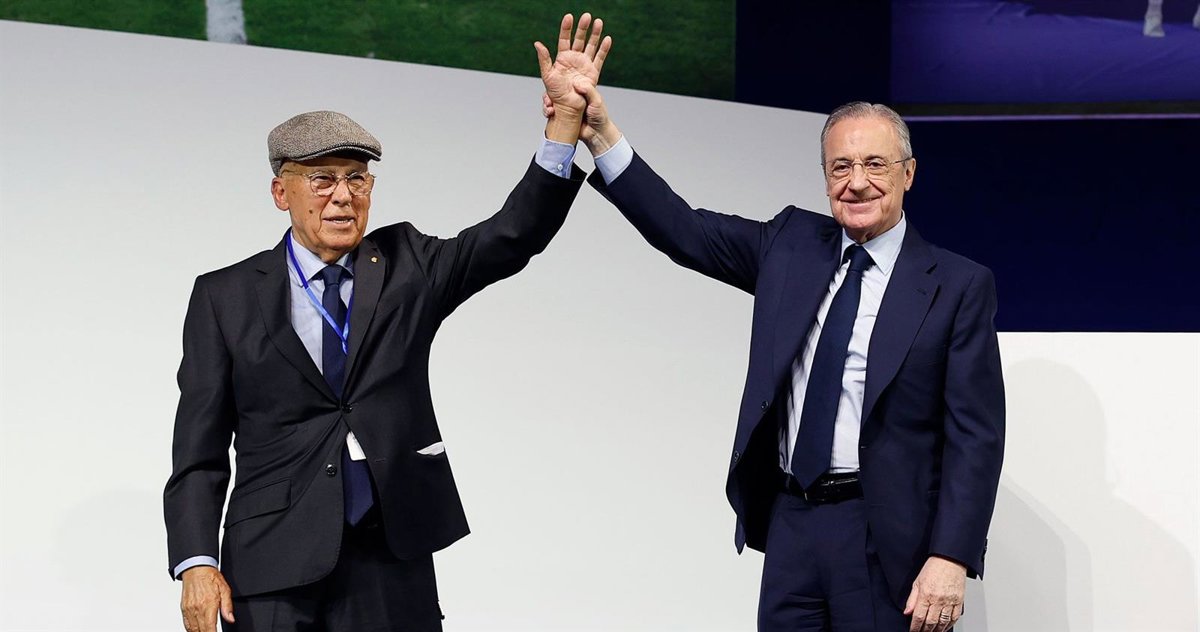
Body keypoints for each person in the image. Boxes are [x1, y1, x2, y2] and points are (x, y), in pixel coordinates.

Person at [163, 14, 610, 632]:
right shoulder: (225, 296)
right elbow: (200, 449)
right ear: (280, 193)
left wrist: (563, 127)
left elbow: (511, 236)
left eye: (357, 178)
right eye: (322, 180)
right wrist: (196, 562)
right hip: (270, 565)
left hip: (390, 556)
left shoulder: (407, 264)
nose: (343, 196)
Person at [544, 81, 1005, 630]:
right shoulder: (790, 245)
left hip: (887, 539)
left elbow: (975, 436)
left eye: (875, 165)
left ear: (908, 173)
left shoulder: (956, 285)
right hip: (792, 524)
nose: (857, 182)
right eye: (840, 167)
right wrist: (601, 134)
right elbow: (685, 230)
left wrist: (950, 556)